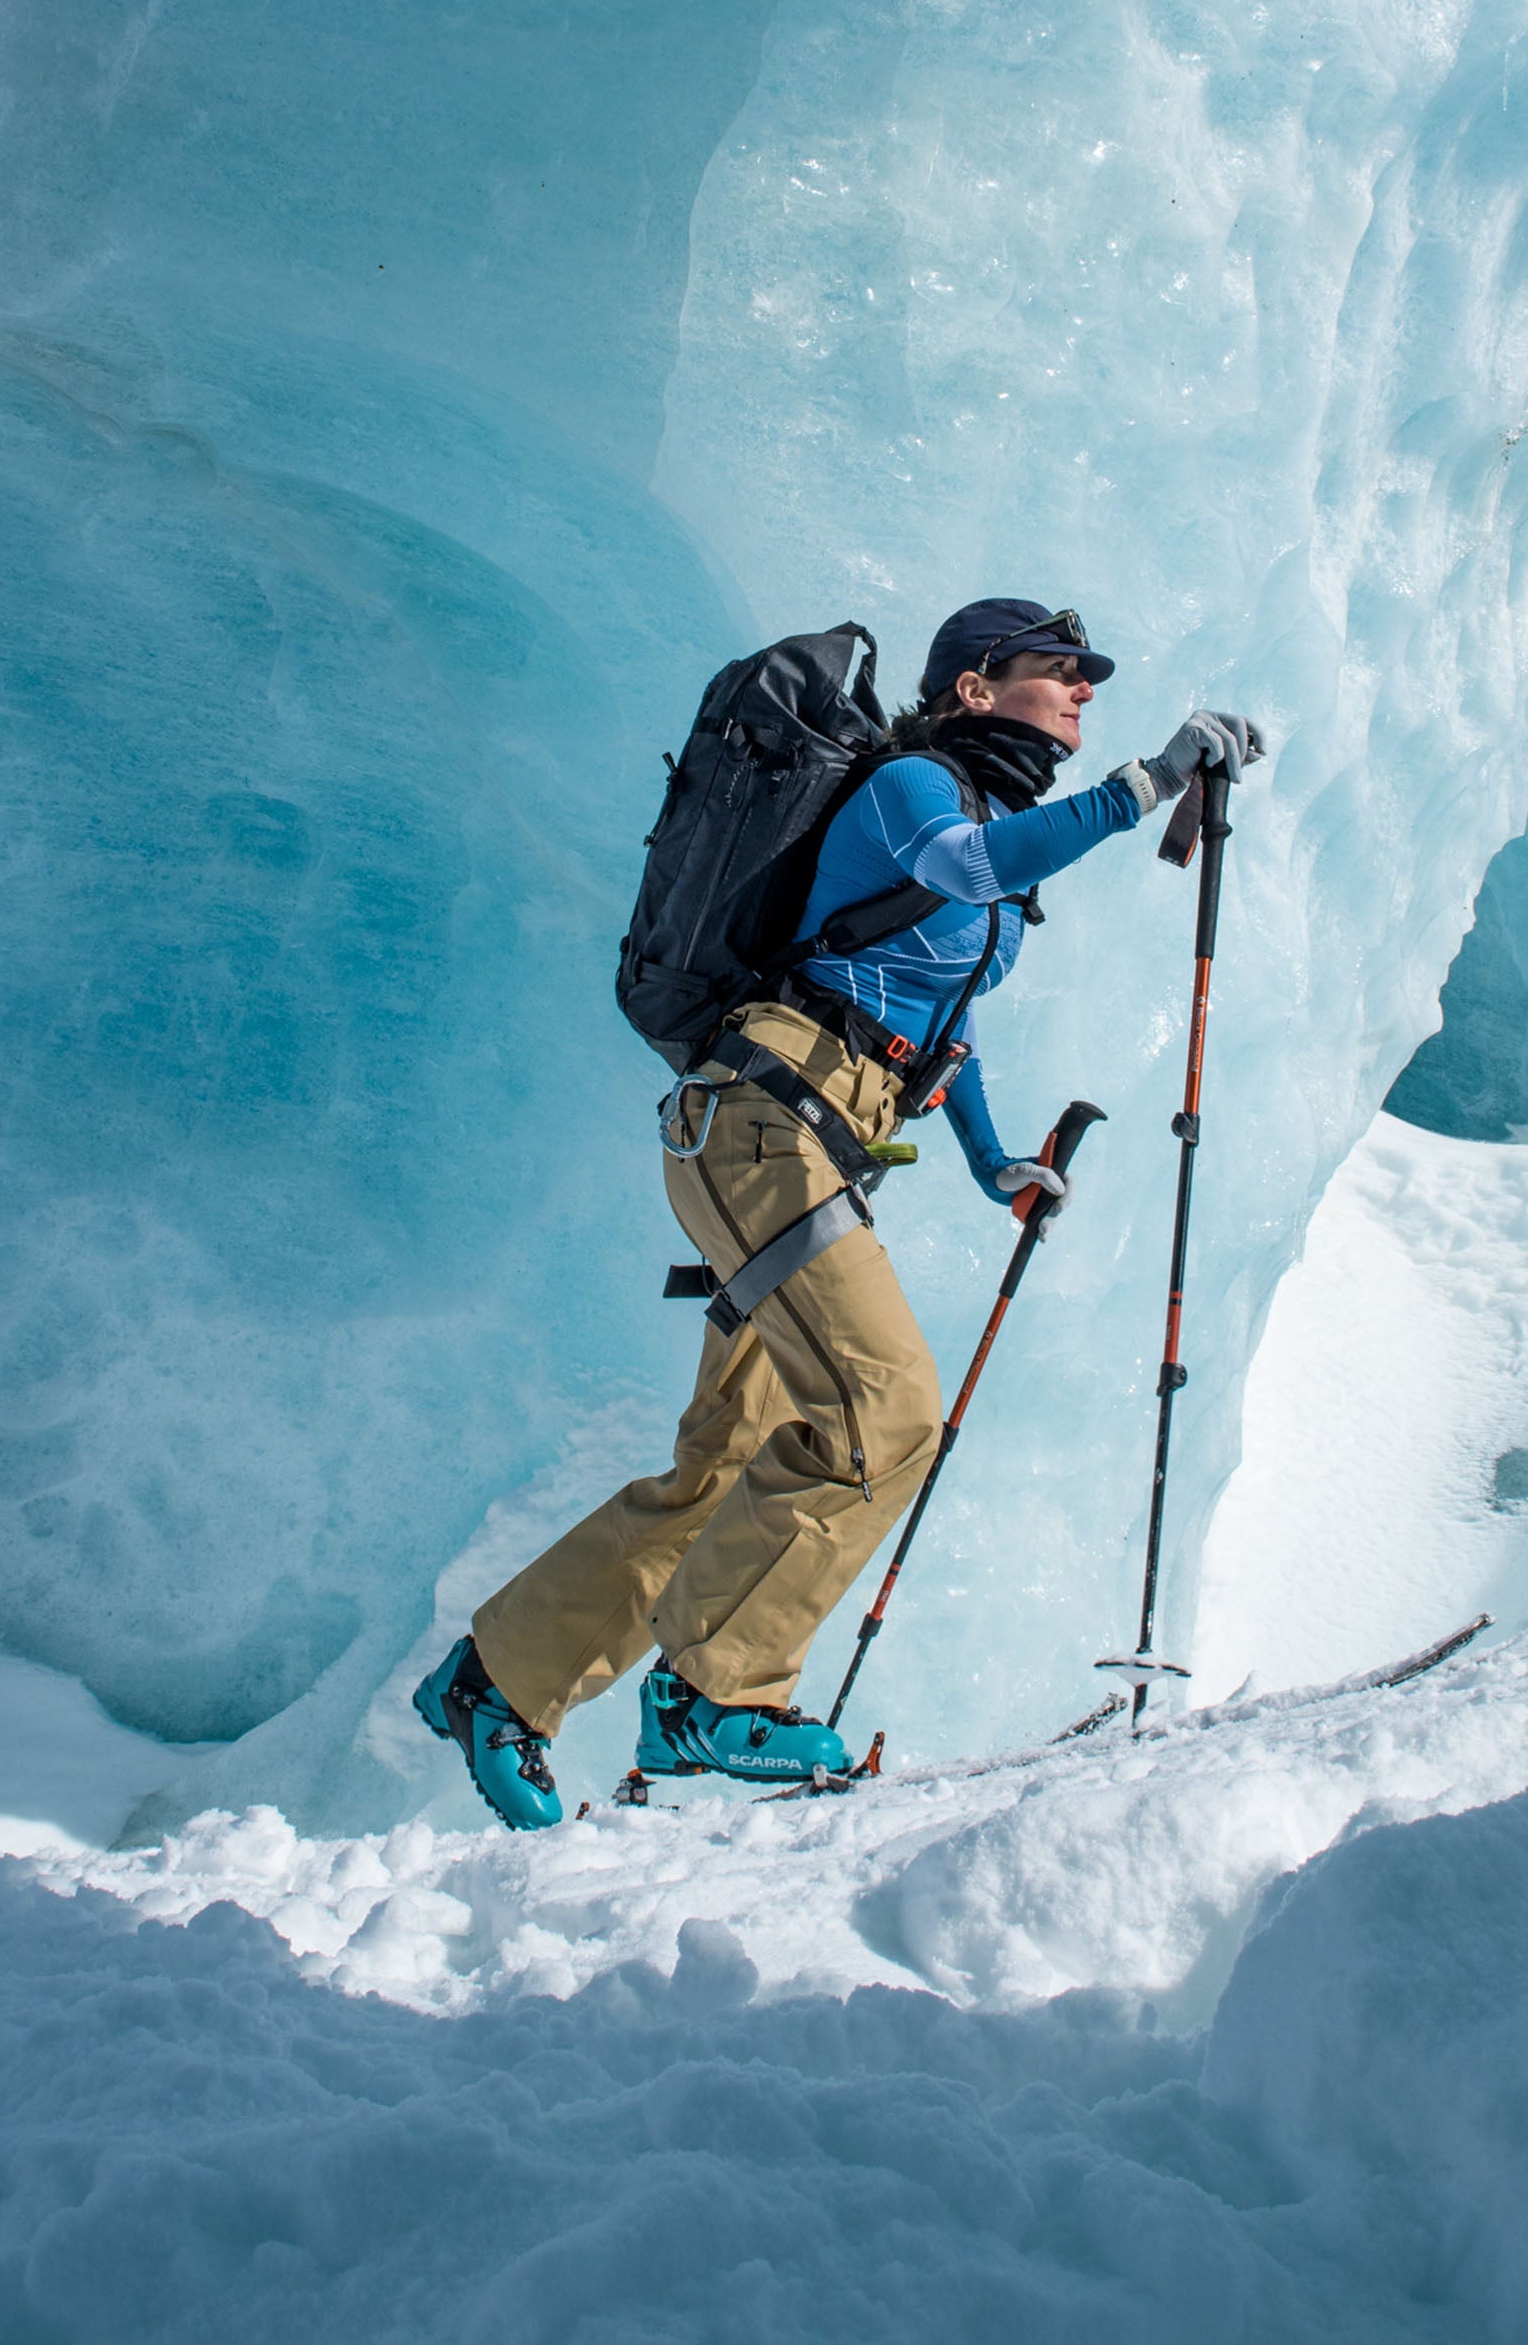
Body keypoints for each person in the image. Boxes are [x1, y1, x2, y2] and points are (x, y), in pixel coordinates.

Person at [415, 598, 1265, 1827]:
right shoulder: (915, 787)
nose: (1082, 691)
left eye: (1088, 679)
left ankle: (498, 1684)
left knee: (723, 1467)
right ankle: (718, 1693)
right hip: (764, 1127)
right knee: (885, 1413)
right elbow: (968, 875)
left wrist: (991, 1163)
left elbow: (939, 1030)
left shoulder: (984, 821)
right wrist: (1149, 780)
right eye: (1057, 672)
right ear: (974, 688)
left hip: (788, 1139)